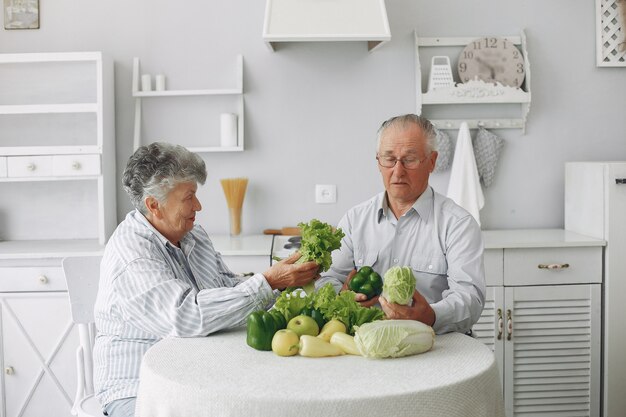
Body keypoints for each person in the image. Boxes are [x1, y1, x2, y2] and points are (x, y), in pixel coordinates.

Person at [93, 142, 319, 417]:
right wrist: (268, 282)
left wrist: (281, 282)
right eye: (189, 197)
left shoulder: (192, 235)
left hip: (193, 375)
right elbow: (187, 315)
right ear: (155, 205)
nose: (198, 206)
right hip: (138, 388)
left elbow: (226, 288)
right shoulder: (133, 254)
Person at [317, 114, 485, 334]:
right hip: (367, 347)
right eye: (389, 159)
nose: (397, 171)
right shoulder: (354, 221)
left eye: (409, 159)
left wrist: (431, 316)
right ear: (378, 161)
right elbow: (328, 280)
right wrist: (343, 297)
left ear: (432, 161)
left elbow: (470, 298)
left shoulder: (458, 224)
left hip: (436, 347)